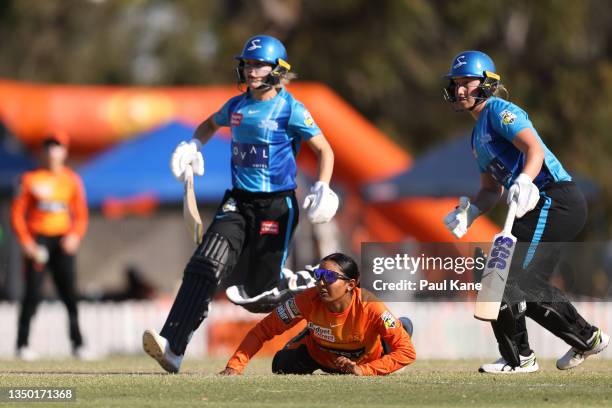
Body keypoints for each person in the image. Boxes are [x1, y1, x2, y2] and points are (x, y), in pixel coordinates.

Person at [143, 34, 339, 373]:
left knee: (255, 297)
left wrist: (323, 186)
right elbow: (207, 125)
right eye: (247, 64)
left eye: (259, 65)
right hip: (238, 202)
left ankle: (304, 280)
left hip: (277, 207)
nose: (251, 71)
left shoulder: (290, 108)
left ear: (278, 69)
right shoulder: (236, 106)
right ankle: (172, 346)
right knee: (206, 262)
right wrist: (193, 145)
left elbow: (325, 150)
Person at [442, 51, 609, 373]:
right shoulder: (477, 136)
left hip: (555, 200)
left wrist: (525, 178)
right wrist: (472, 211)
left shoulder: (500, 111)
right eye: (456, 83)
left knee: (507, 278)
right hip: (534, 206)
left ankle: (526, 357)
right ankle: (574, 342)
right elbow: (492, 189)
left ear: (488, 84)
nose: (460, 89)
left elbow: (533, 149)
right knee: (506, 280)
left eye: (467, 82)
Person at [219, 252, 416, 376]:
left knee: (398, 340)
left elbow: (407, 353)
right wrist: (235, 366)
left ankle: (398, 331)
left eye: (329, 277)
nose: (321, 283)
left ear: (351, 285)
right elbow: (264, 329)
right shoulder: (307, 300)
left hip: (363, 361)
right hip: (321, 356)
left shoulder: (371, 306)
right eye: (318, 276)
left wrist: (363, 370)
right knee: (281, 366)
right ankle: (309, 332)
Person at [11, 130, 90, 360]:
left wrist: (74, 236)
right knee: (32, 295)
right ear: (43, 152)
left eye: (56, 146)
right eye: (48, 146)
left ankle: (78, 344)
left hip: (62, 242)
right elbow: (17, 215)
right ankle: (22, 344)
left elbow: (81, 215)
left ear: (64, 152)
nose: (52, 151)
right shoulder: (29, 179)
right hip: (38, 242)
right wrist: (27, 243)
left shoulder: (71, 180)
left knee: (69, 296)